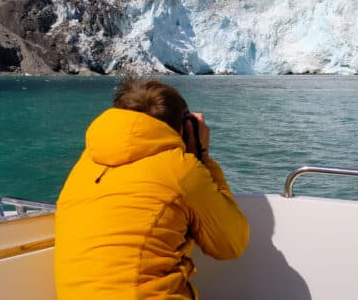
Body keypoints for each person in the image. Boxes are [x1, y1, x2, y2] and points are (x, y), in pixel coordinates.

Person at [54, 76, 250, 299]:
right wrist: (203, 157)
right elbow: (231, 244)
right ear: (186, 127)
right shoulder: (181, 170)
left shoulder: (84, 166)